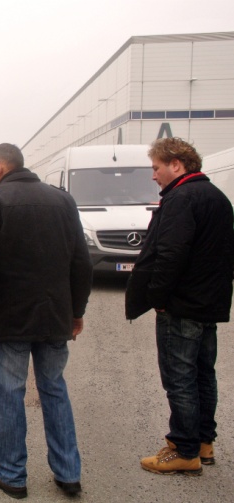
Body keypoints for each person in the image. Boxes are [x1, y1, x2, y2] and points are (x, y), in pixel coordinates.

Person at [0, 143, 92, 499]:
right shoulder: (63, 200)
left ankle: (11, 475)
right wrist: (76, 311)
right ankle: (68, 473)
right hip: (54, 314)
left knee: (9, 392)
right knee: (54, 389)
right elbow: (81, 262)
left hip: (11, 315)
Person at [126, 137, 234, 475]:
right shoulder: (217, 197)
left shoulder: (181, 199)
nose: (153, 176)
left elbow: (170, 254)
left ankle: (184, 450)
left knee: (180, 378)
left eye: (156, 168)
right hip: (208, 304)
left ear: (177, 164)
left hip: (182, 306)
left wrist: (157, 299)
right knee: (203, 374)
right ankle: (203, 442)